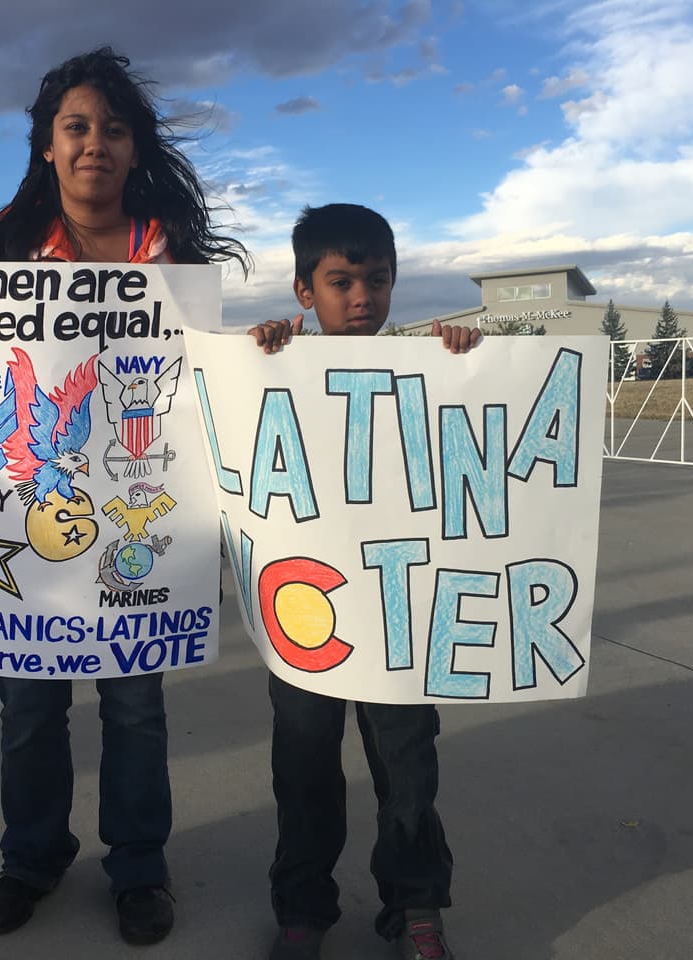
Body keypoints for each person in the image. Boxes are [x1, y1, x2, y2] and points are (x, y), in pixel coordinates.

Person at [0, 46, 248, 948]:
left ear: (134, 145)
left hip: (135, 518)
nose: (95, 146)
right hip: (20, 514)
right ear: (46, 144)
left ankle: (139, 870)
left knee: (135, 706)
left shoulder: (172, 253)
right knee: (29, 708)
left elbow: (205, 377)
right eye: (77, 127)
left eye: (114, 129)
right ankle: (31, 858)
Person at [247, 204, 479, 960]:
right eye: (340, 281)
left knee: (409, 768)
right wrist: (258, 357)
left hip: (398, 614)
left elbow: (474, 425)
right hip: (304, 615)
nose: (361, 298)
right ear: (303, 290)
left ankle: (414, 906)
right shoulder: (274, 365)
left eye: (377, 281)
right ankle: (303, 908)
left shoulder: (428, 365)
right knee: (305, 767)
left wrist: (469, 361)